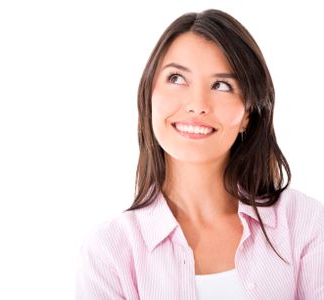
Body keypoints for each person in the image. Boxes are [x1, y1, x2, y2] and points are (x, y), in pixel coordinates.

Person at [75, 9, 324, 300]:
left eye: (221, 85)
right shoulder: (108, 253)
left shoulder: (304, 223)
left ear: (248, 114)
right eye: (177, 78)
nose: (197, 104)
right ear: (149, 94)